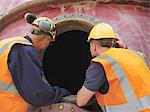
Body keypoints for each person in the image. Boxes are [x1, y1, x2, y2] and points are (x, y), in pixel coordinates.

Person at [0, 13, 71, 112]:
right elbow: (37, 94)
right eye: (50, 43)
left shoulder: (7, 43)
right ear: (47, 39)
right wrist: (61, 93)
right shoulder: (24, 50)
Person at [76, 22, 150, 112]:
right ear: (114, 42)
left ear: (93, 46)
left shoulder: (100, 64)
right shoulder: (136, 55)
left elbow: (81, 101)